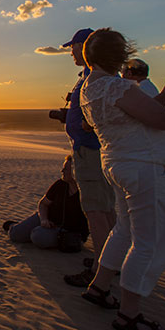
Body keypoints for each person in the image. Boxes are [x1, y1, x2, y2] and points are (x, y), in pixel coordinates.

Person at [79, 28, 165, 330]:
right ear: (120, 56)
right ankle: (129, 314)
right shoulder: (116, 86)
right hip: (143, 167)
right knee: (151, 240)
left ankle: (100, 287)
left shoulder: (92, 87)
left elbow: (141, 111)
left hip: (118, 163)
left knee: (126, 229)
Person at [59, 28, 117, 288]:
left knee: (96, 211)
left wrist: (86, 126)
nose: (71, 51)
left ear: (87, 46)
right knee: (104, 209)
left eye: (75, 46)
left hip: (92, 152)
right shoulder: (88, 76)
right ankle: (110, 260)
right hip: (87, 150)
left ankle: (100, 269)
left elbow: (107, 111)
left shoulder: (97, 77)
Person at [3, 155, 88, 249]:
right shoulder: (60, 184)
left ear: (75, 172)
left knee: (38, 236)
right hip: (47, 218)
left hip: (69, 231)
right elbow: (43, 204)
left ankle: (35, 231)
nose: (62, 171)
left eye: (65, 169)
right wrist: (44, 219)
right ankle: (17, 226)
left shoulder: (87, 192)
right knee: (16, 234)